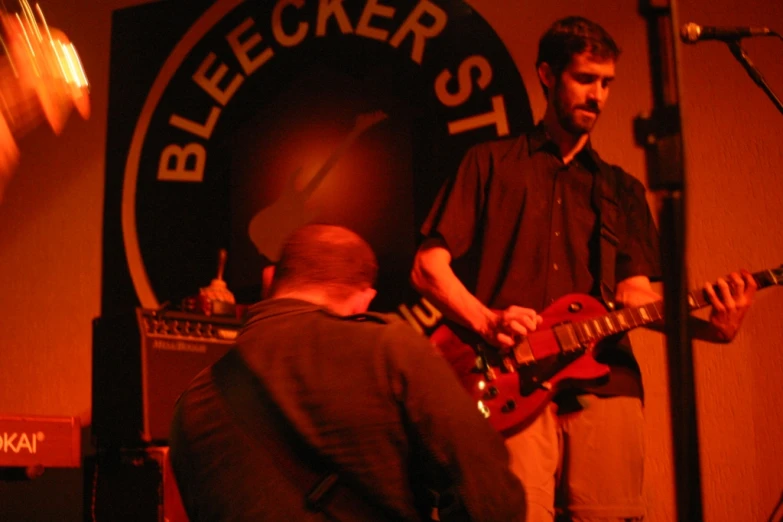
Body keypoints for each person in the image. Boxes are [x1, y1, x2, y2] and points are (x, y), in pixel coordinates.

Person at [410, 16, 757, 522]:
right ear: (547, 75)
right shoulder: (488, 162)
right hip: (510, 379)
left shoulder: (621, 190)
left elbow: (634, 298)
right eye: (585, 79)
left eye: (607, 82)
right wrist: (487, 321)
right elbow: (427, 268)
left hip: (607, 382)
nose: (598, 95)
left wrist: (710, 329)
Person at [169, 224, 527, 521]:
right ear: (364, 298)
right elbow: (493, 500)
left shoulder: (192, 403)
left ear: (273, 282)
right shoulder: (388, 348)